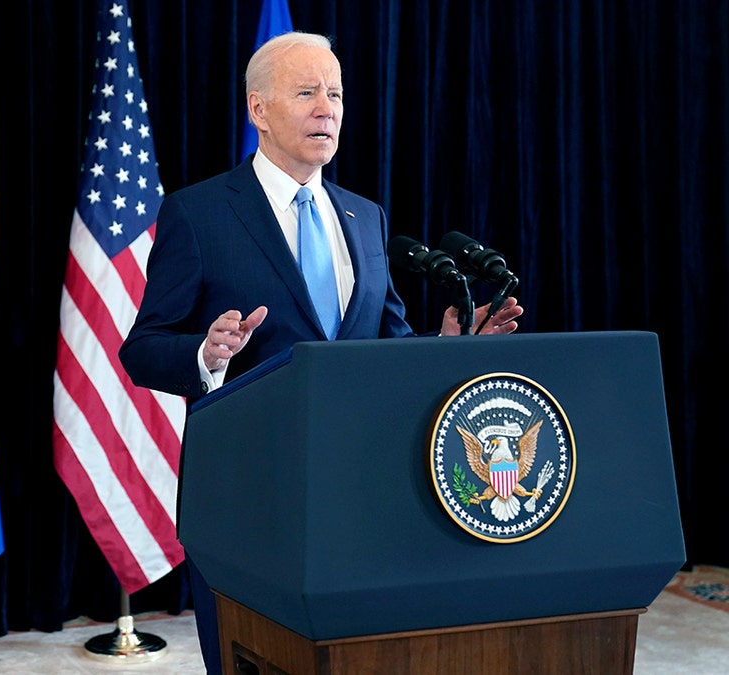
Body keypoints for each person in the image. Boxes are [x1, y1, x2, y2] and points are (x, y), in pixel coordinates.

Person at [118, 31, 523, 675]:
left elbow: (385, 349)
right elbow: (141, 349)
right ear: (258, 110)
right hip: (246, 494)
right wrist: (206, 352)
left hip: (360, 490)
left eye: (335, 94)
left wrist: (447, 345)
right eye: (306, 92)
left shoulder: (366, 217)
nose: (326, 108)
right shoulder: (199, 214)